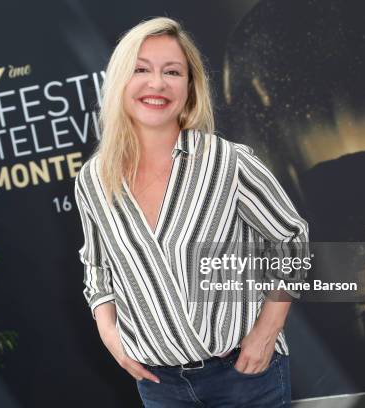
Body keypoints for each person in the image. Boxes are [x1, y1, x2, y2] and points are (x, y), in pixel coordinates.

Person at [74, 16, 309, 407]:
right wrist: (111, 337)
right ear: (119, 82)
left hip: (245, 376)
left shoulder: (227, 162)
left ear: (190, 87)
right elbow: (97, 265)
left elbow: (292, 241)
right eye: (141, 69)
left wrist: (267, 331)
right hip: (159, 386)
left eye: (172, 72)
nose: (157, 84)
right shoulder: (94, 180)